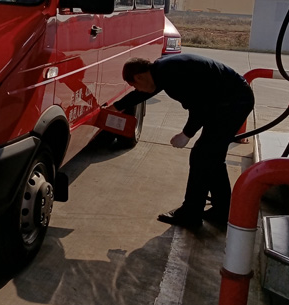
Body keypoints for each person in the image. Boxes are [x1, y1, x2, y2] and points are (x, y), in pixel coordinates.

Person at [109, 54, 254, 230]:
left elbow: (200, 106)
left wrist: (186, 134)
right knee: (211, 157)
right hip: (228, 100)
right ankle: (222, 211)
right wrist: (117, 106)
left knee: (202, 156)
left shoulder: (172, 74)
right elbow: (146, 92)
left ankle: (191, 215)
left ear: (139, 76)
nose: (137, 89)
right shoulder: (161, 71)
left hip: (233, 103)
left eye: (135, 85)